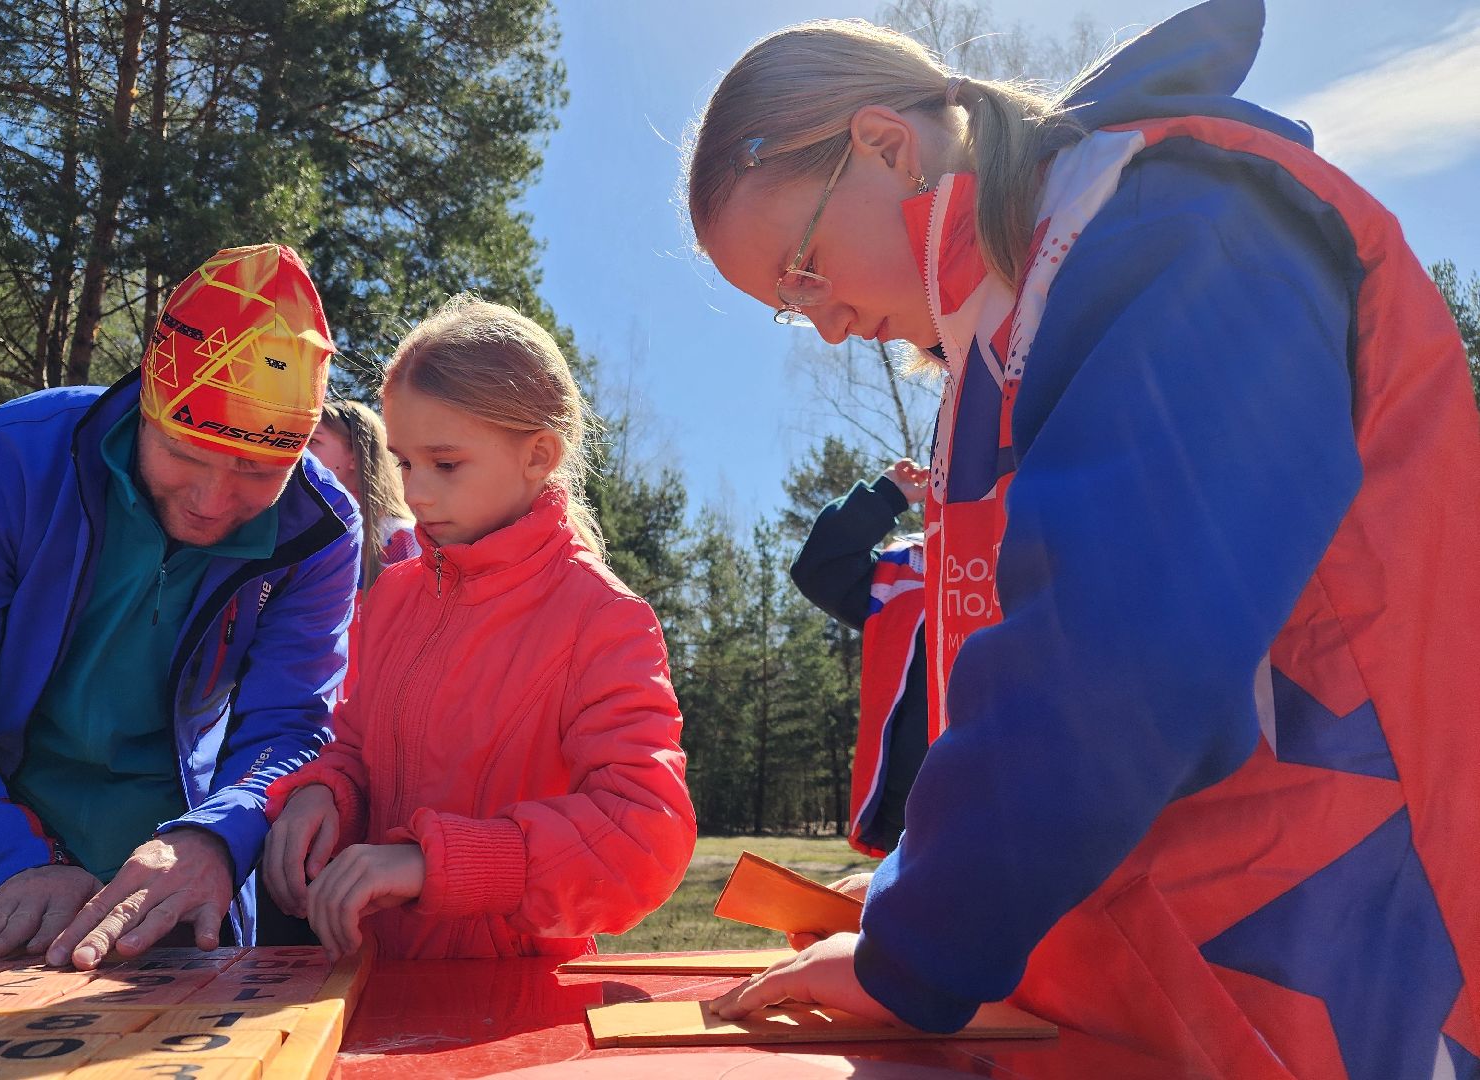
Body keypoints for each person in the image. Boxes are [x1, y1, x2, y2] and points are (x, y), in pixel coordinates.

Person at [687, 0, 1480, 1075]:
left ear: (884, 144)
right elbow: (1001, 683)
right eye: (788, 307)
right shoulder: (997, 343)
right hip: (1180, 966)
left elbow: (1121, 649)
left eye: (804, 265)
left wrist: (908, 951)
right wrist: (910, 893)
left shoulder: (1186, 222)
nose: (822, 321)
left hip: (1344, 948)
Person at [0, 244, 362, 971]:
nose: (214, 500)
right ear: (147, 406)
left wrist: (214, 838)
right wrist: (16, 859)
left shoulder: (321, 524)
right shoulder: (11, 457)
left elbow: (290, 726)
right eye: (186, 451)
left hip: (176, 852)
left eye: (255, 470)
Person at [260, 295, 696, 962]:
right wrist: (326, 793)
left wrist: (435, 865)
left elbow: (643, 837)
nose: (416, 493)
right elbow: (356, 747)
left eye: (445, 463)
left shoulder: (602, 620)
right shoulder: (394, 598)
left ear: (539, 455)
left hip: (507, 1005)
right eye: (404, 463)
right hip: (365, 983)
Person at [790, 458, 929, 858]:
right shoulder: (911, 566)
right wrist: (885, 496)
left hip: (1028, 798)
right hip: (913, 813)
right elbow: (822, 569)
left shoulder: (1041, 556)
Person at [306, 399, 419, 592]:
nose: (300, 452)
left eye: (313, 441)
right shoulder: (292, 525)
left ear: (355, 456)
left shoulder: (400, 538)